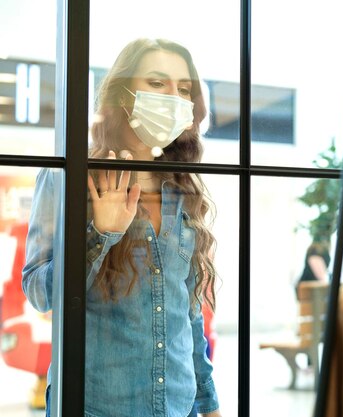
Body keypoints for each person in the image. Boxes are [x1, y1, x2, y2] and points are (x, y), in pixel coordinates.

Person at [22, 38, 222, 417]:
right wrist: (100, 233)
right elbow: (39, 291)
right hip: (93, 407)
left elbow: (188, 316)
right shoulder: (67, 174)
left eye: (184, 89)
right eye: (158, 83)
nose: (174, 98)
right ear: (125, 93)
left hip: (178, 408)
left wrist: (209, 405)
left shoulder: (183, 186)